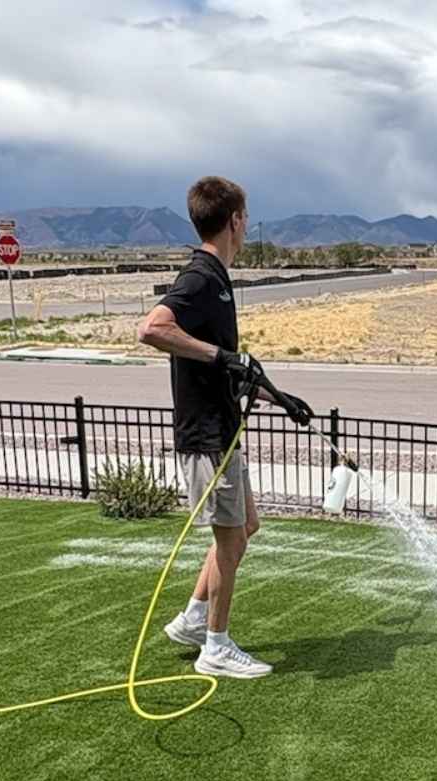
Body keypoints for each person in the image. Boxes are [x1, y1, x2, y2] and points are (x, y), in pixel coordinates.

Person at [138, 176, 312, 679]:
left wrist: (277, 397)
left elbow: (224, 369)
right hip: (208, 439)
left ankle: (194, 617)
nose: (248, 223)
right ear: (235, 220)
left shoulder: (216, 280)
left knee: (245, 527)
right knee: (231, 541)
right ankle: (215, 647)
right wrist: (223, 355)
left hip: (222, 432)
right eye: (246, 216)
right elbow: (152, 328)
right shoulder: (200, 279)